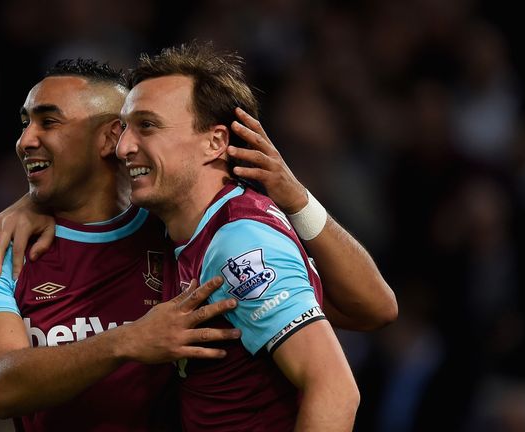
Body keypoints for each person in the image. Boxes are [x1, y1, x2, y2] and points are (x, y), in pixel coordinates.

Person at [0, 60, 242, 431]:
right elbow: (0, 386)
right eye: (25, 123)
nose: (25, 140)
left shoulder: (177, 228)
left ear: (111, 137)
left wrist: (300, 204)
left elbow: (332, 308)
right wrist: (127, 340)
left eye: (49, 121)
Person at [114, 41, 360, 430]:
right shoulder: (196, 230)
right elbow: (377, 308)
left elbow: (334, 388)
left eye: (147, 125)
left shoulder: (239, 244)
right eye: (124, 127)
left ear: (215, 142)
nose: (123, 146)